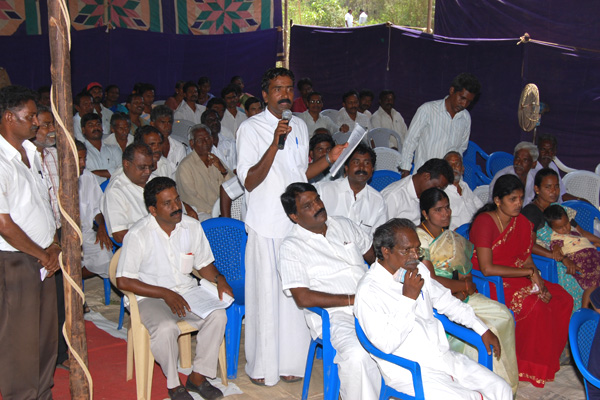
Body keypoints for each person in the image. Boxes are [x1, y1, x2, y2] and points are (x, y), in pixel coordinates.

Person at [236, 67, 347, 386]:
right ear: (265, 94)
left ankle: (292, 364)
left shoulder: (299, 124)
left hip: (294, 224)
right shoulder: (251, 129)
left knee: (294, 295)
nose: (285, 94)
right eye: (278, 89)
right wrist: (274, 143)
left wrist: (330, 159)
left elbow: (301, 175)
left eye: (289, 88)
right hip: (266, 224)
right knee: (267, 298)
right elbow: (250, 181)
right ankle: (262, 367)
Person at [355, 218, 511, 400]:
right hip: (410, 371)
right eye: (407, 250)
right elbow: (386, 344)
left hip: (443, 358)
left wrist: (482, 329)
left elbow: (447, 302)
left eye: (417, 249)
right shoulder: (369, 290)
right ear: (386, 251)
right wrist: (408, 298)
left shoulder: (418, 269)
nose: (415, 256)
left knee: (502, 390)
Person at [116, 177, 231, 400]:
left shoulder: (191, 226)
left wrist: (220, 279)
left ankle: (197, 378)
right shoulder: (138, 234)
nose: (176, 207)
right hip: (148, 296)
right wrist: (165, 293)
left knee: (218, 315)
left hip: (186, 291)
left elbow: (204, 264)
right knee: (167, 328)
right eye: (167, 203)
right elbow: (124, 281)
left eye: (177, 199)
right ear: (153, 209)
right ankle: (173, 383)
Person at [279, 182, 380, 399]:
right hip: (335, 317)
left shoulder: (343, 224)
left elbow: (373, 257)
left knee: (415, 332)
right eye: (308, 206)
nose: (317, 206)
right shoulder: (291, 246)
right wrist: (353, 299)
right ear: (294, 217)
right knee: (357, 355)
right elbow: (303, 297)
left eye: (317, 199)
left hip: (373, 304)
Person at [470, 174, 573, 387]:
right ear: (498, 201)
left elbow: (526, 257)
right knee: (537, 307)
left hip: (518, 275)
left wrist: (539, 282)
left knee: (562, 298)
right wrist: (527, 274)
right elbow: (487, 268)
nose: (518, 204)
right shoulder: (485, 222)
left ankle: (549, 356)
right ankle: (528, 366)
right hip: (494, 282)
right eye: (512, 199)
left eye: (520, 199)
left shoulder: (522, 223)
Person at [417, 188, 518, 394]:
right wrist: (462, 287)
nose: (445, 213)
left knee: (504, 315)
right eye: (438, 210)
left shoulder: (452, 237)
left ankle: (505, 385)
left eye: (447, 208)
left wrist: (465, 287)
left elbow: (465, 271)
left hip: (461, 294)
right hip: (438, 299)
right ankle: (482, 384)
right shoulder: (418, 239)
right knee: (488, 326)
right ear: (425, 214)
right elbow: (432, 280)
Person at [0, 85, 60, 399]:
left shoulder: (32, 153)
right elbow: (4, 223)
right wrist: (41, 253)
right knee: (19, 339)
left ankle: (41, 392)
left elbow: (42, 205)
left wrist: (52, 247)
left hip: (43, 257)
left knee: (45, 335)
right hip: (16, 260)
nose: (37, 121)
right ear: (9, 118)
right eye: (31, 116)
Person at [521, 168, 584, 310]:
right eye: (548, 187)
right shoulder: (532, 212)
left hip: (569, 251)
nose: (554, 191)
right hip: (550, 262)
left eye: (556, 186)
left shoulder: (556, 208)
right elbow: (528, 245)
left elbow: (579, 231)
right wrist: (560, 257)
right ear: (537, 189)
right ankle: (575, 323)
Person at [399, 73, 480, 175]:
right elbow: (410, 142)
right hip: (426, 176)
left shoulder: (465, 117)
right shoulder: (427, 110)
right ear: (452, 91)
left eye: (469, 101)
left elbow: (461, 148)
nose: (464, 104)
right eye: (462, 98)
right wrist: (405, 172)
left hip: (449, 179)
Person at [315, 144, 387, 237]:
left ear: (372, 169)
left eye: (366, 163)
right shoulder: (324, 190)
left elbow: (379, 239)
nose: (361, 167)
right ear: (346, 167)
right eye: (356, 162)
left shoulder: (378, 201)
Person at [544, 204, 600, 308]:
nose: (565, 229)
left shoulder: (573, 226)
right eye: (560, 227)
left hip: (594, 256)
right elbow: (556, 249)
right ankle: (584, 310)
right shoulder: (556, 237)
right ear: (552, 228)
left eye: (566, 224)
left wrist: (595, 244)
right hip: (582, 261)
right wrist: (556, 249)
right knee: (592, 282)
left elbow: (583, 234)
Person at [176, 124, 231, 221]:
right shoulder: (185, 166)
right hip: (201, 213)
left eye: (207, 138)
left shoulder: (216, 160)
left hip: (222, 210)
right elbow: (190, 198)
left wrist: (222, 170)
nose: (205, 142)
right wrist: (216, 211)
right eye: (200, 140)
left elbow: (233, 187)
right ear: (192, 143)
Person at [101, 142, 154, 243]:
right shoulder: (115, 192)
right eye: (142, 167)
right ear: (126, 164)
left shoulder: (155, 180)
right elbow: (119, 235)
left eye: (150, 167)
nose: (148, 172)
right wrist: (156, 238)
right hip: (143, 247)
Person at [76, 139, 113, 278]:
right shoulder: (55, 178)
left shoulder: (87, 177)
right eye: (78, 158)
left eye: (84, 159)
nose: (83, 164)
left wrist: (102, 225)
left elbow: (97, 209)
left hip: (84, 234)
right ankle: (68, 277)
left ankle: (76, 276)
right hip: (63, 237)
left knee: (106, 254)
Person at [382, 158, 454, 225]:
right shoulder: (393, 196)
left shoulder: (426, 194)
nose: (437, 192)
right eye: (437, 187)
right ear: (427, 176)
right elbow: (381, 233)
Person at [533, 133, 583, 202]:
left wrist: (580, 200)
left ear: (554, 152)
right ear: (537, 150)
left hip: (557, 207)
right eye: (543, 149)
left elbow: (562, 194)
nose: (547, 153)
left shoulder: (552, 166)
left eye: (550, 150)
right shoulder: (532, 169)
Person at [488, 141, 538, 205]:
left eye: (525, 160)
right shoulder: (502, 176)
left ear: (533, 164)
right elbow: (494, 203)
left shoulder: (536, 177)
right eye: (517, 158)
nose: (519, 163)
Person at [443, 151, 483, 230]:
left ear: (463, 169)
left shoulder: (464, 186)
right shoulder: (441, 192)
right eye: (449, 165)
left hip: (475, 230)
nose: (453, 167)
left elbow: (480, 208)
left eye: (457, 164)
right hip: (456, 236)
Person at [81, 112, 121, 184]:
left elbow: (122, 171)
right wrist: (111, 172)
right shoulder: (81, 152)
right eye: (91, 125)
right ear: (83, 130)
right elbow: (83, 176)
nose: (95, 127)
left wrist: (93, 173)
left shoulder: (114, 149)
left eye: (98, 124)